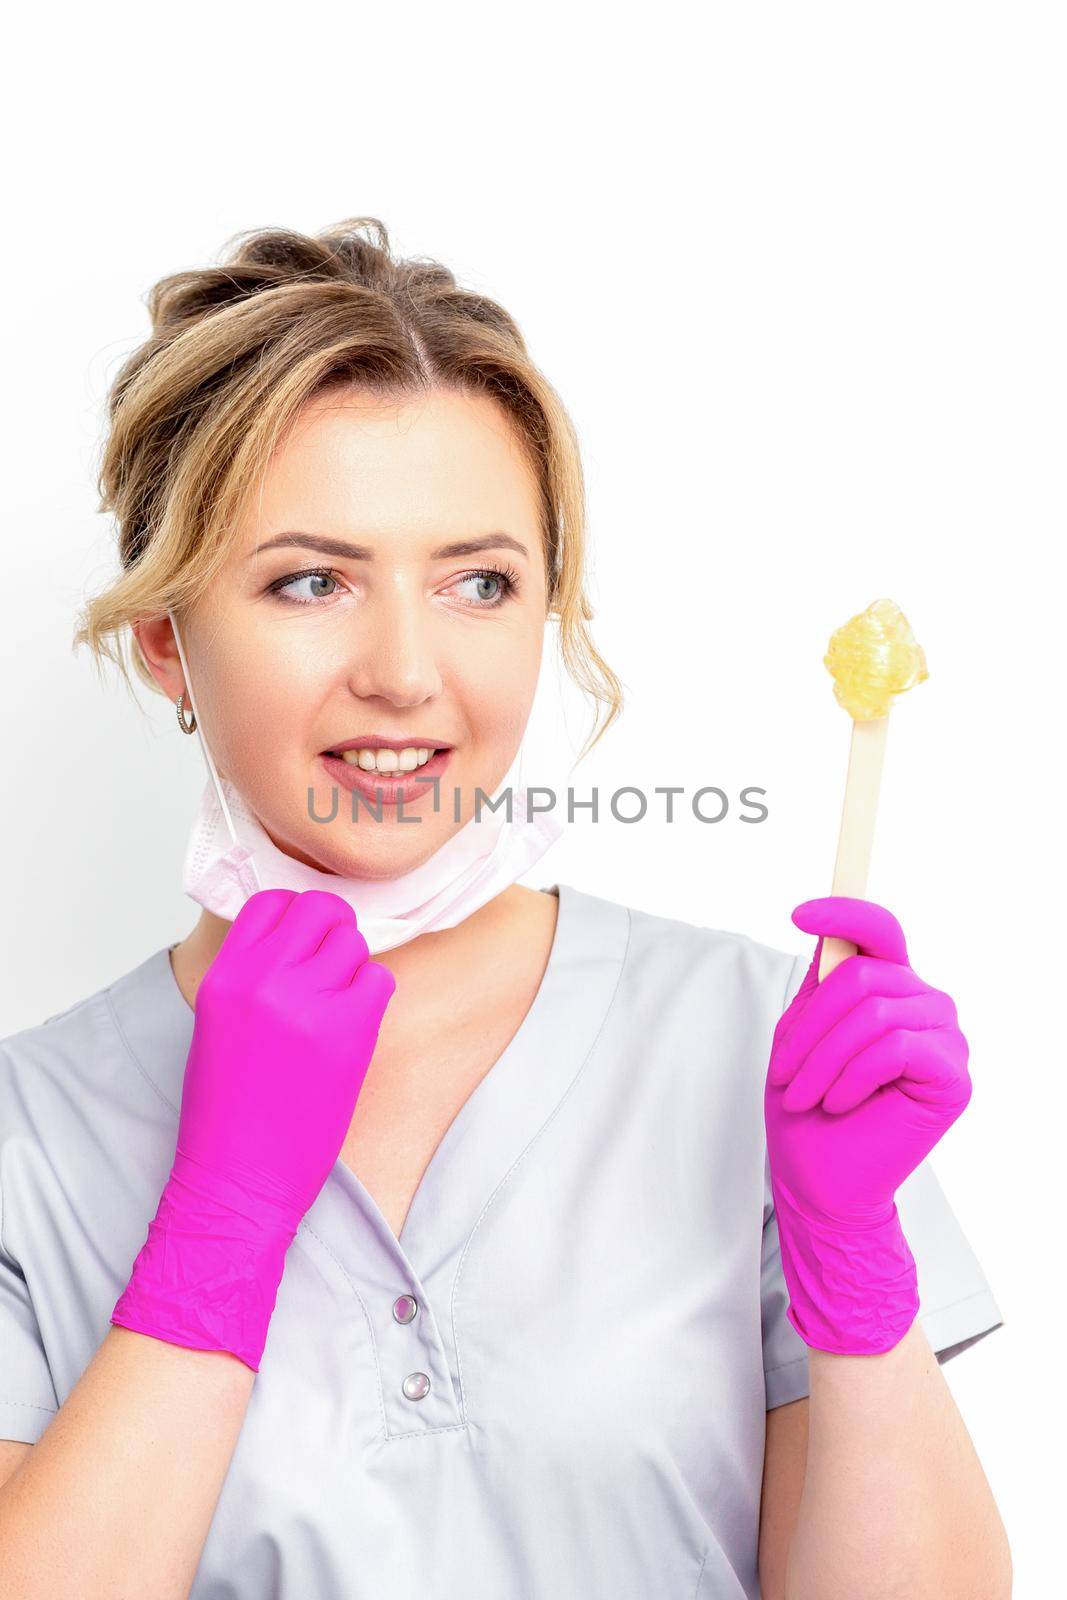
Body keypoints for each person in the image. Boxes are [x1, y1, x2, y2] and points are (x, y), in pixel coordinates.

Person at [0, 219, 1010, 1599]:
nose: (407, 673)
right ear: (167, 634)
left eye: (479, 582)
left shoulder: (757, 1040)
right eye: (313, 580)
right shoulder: (27, 1139)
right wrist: (220, 1222)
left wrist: (855, 1265)